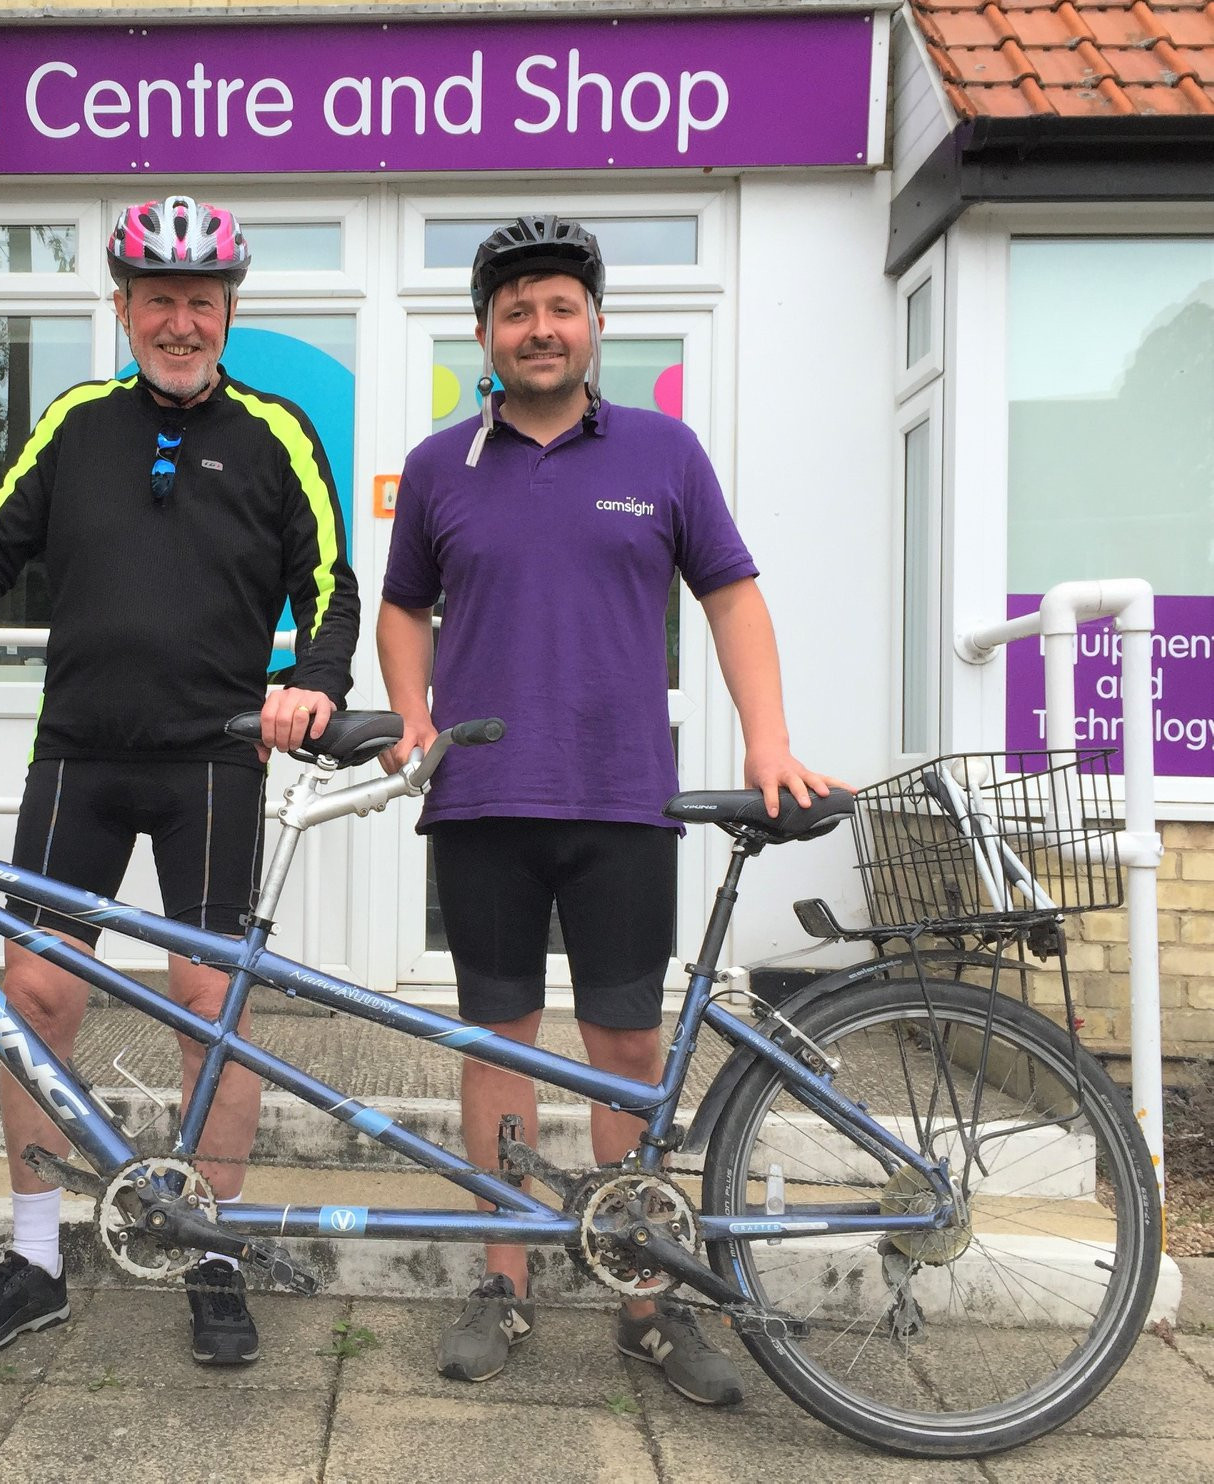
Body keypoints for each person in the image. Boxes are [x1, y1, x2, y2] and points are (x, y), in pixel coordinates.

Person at [0, 195, 359, 1366]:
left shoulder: (277, 431)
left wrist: (312, 676)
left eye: (201, 301)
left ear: (227, 313)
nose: (180, 320)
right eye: (158, 298)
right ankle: (38, 1257)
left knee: (212, 1012)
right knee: (35, 1000)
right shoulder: (73, 425)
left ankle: (212, 1247)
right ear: (122, 308)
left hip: (214, 760)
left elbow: (331, 580)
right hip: (80, 758)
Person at [377, 214, 838, 1405]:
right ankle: (507, 1279)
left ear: (594, 325)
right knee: (496, 1046)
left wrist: (768, 738)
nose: (540, 326)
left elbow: (733, 596)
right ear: (485, 333)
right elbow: (401, 607)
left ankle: (646, 1295)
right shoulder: (439, 466)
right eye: (516, 308)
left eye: (560, 305)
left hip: (622, 799)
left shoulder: (664, 452)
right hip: (481, 800)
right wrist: (410, 714)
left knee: (628, 1051)